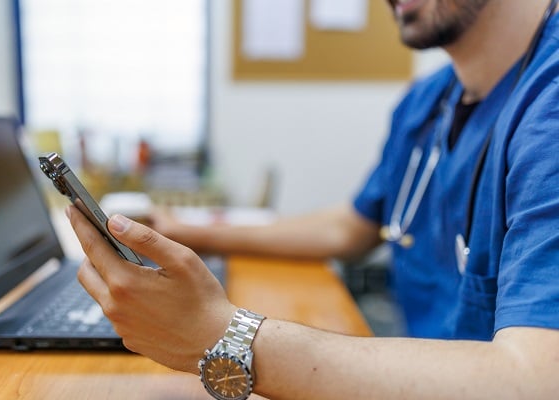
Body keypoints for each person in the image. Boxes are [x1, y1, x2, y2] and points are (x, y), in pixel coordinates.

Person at [68, 0, 559, 398]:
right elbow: (349, 227)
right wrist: (183, 232)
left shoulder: (548, 106)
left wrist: (222, 333)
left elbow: (536, 379)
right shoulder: (426, 102)